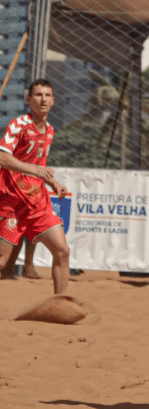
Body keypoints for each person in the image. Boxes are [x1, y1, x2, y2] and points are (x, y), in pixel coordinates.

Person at [0, 79, 71, 295]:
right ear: (28, 99)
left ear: (53, 101)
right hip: (11, 203)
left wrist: (53, 182)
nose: (43, 99)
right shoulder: (18, 125)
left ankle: (60, 303)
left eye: (47, 95)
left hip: (37, 204)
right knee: (2, 263)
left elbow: (39, 166)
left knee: (62, 252)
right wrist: (36, 170)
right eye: (38, 95)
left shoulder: (49, 130)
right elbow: (3, 158)